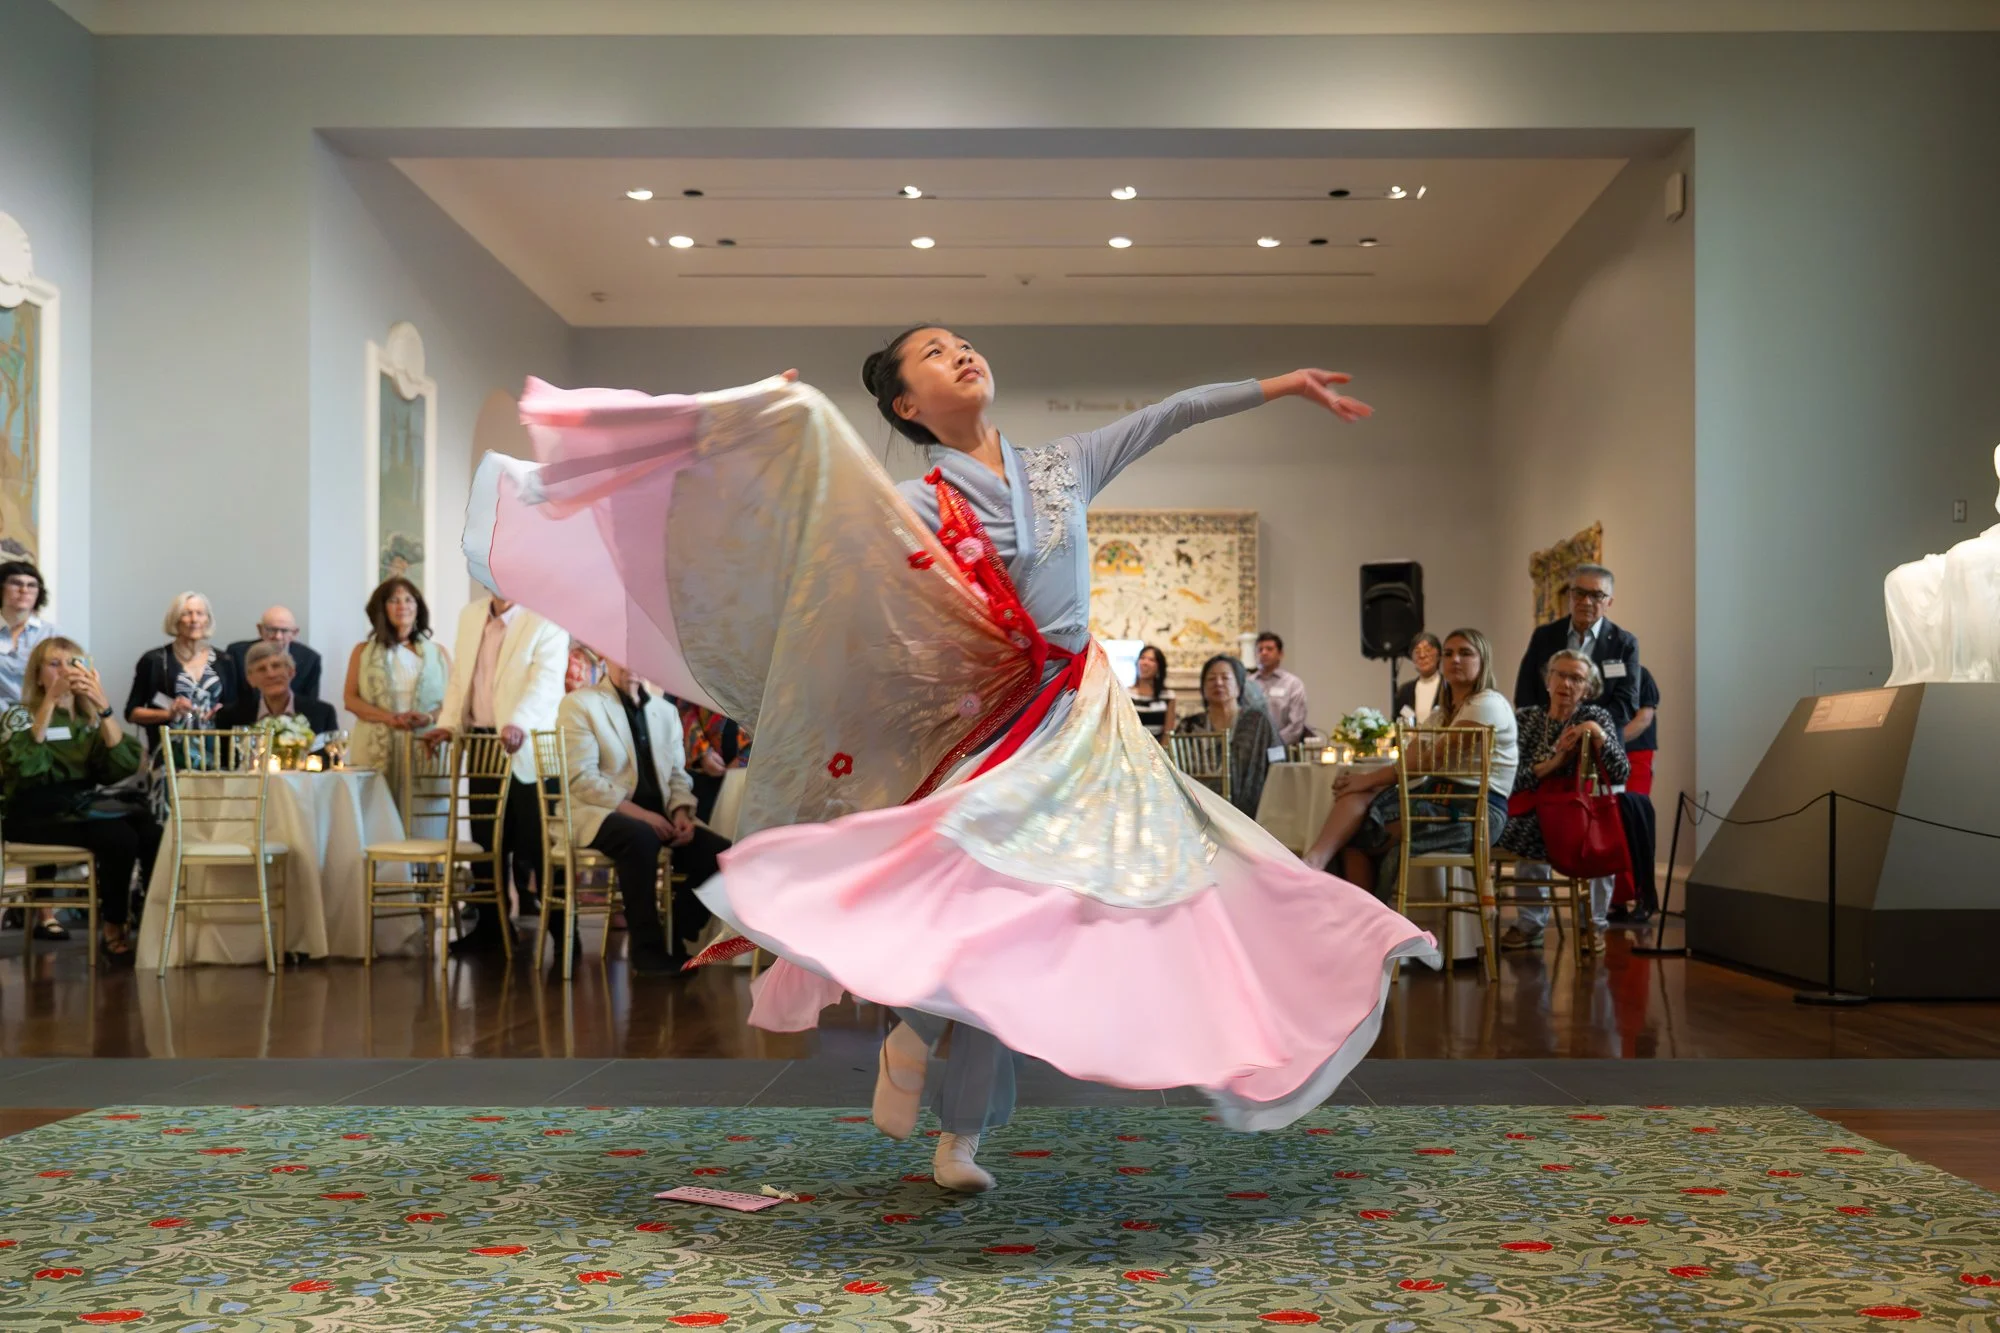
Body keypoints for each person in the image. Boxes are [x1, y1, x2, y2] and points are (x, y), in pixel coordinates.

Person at [469, 324, 1437, 1197]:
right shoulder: (908, 504)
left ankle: (942, 1095)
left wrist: (1278, 384)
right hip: (991, 734)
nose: (961, 352)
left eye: (962, 342)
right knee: (980, 911)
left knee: (1135, 893)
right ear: (904, 405)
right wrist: (758, 433)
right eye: (933, 353)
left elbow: (1172, 412)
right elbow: (805, 553)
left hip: (1084, 729)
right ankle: (929, 1064)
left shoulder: (1063, 465)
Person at [1301, 628, 1516, 896]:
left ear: (1483, 661)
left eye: (1465, 653)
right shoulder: (1441, 714)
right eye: (1448, 654)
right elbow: (1410, 762)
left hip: (1473, 812)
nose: (1455, 660)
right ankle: (1314, 864)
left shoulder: (1487, 704)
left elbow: (1428, 763)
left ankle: (1337, 888)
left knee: (1358, 830)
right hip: (1436, 800)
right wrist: (1366, 784)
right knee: (1358, 808)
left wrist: (1367, 779)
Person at [558, 655, 728, 975]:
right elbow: (582, 780)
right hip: (601, 812)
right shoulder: (581, 704)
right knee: (640, 837)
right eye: (619, 655)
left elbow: (678, 776)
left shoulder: (665, 712)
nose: (630, 663)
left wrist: (681, 813)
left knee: (723, 855)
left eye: (635, 653)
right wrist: (643, 816)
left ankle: (675, 931)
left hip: (659, 817)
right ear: (603, 657)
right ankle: (645, 950)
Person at [0, 637, 160, 963]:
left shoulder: (87, 721)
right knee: (118, 837)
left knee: (150, 828)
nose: (64, 672)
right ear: (38, 673)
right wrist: (50, 702)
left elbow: (123, 766)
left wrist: (102, 706)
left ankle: (152, 919)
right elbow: (23, 765)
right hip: (34, 812)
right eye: (54, 664)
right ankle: (114, 927)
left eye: (72, 664)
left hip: (82, 806)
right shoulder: (19, 714)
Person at [430, 593, 568, 953]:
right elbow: (462, 677)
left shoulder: (546, 616)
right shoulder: (471, 615)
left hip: (530, 746)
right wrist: (447, 724)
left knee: (538, 844)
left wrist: (517, 723)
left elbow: (546, 683)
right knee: (487, 842)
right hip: (482, 742)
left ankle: (563, 930)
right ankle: (492, 927)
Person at [1497, 649, 1631, 955]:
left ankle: (1593, 924)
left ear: (1588, 688)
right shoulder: (1527, 719)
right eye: (1560, 674)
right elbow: (1510, 778)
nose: (1566, 683)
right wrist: (1554, 763)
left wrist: (1597, 735)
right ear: (1548, 679)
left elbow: (1621, 770)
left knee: (1598, 839)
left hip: (1577, 811)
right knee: (1521, 828)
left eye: (1576, 678)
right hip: (1534, 810)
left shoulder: (1596, 716)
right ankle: (1531, 925)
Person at [125, 592, 238, 822]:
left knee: (211, 821)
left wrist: (223, 713)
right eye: (187, 613)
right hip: (170, 756)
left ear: (208, 619)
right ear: (175, 619)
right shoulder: (155, 660)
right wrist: (168, 712)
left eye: (200, 613)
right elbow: (132, 712)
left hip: (216, 755)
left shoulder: (225, 661)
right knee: (169, 822)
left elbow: (237, 707)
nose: (194, 619)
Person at [343, 577, 451, 799]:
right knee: (378, 814)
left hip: (425, 744)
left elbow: (454, 701)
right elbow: (350, 699)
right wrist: (388, 717)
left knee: (424, 819)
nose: (403, 606)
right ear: (381, 608)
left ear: (418, 606)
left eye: (409, 600)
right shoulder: (362, 652)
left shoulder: (438, 653)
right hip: (375, 745)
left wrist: (428, 717)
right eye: (394, 600)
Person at [1513, 564, 1642, 729]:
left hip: (1599, 743)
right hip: (1545, 739)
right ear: (1570, 596)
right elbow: (1525, 691)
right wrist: (1545, 727)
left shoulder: (1624, 644)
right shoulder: (1544, 636)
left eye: (1597, 595)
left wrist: (1585, 729)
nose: (1586, 602)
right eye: (1580, 593)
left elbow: (1627, 703)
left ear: (1609, 602)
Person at [1175, 653, 1278, 817]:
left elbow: (1277, 761)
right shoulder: (1190, 725)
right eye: (1211, 679)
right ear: (1203, 687)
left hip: (1254, 815)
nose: (1218, 683)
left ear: (1239, 685)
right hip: (1201, 814)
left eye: (1225, 677)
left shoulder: (1257, 722)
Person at [1609, 665, 1661, 925]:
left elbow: (1644, 719)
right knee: (1609, 826)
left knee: (1635, 822)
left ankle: (1645, 896)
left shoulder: (1640, 674)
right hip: (1604, 755)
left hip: (1635, 753)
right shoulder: (1591, 674)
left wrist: (1610, 740)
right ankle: (1616, 898)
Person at [213, 640, 340, 736]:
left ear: (291, 672)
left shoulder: (322, 714)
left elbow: (331, 763)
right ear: (251, 680)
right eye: (261, 669)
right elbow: (226, 766)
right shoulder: (229, 717)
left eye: (276, 666)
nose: (271, 674)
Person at [674, 698, 751, 825]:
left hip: (754, 772)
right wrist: (701, 751)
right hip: (704, 770)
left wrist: (746, 757)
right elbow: (684, 705)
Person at [224, 606, 324, 702]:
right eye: (272, 630)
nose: (278, 636)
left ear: (294, 633)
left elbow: (310, 704)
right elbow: (230, 699)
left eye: (284, 631)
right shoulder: (237, 653)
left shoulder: (310, 659)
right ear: (260, 630)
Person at [0, 560, 58, 708]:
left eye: (31, 585)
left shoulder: (52, 634)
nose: (24, 590)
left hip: (40, 714)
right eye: (16, 583)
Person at [1251, 631, 1309, 747]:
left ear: (1280, 654)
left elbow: (1296, 724)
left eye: (1269, 649)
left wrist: (1272, 743)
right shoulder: (1248, 684)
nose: (1264, 653)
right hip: (1252, 748)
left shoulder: (1292, 684)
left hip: (1282, 748)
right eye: (1260, 650)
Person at [1128, 644, 1176, 739]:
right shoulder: (1127, 694)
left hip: (1159, 748)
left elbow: (1168, 732)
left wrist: (1160, 752)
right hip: (1133, 749)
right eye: (1142, 658)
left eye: (1151, 660)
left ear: (1159, 667)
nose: (1145, 662)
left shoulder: (1168, 696)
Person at [1393, 631, 1444, 722]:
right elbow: (1396, 721)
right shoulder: (1405, 691)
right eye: (1417, 651)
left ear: (1439, 655)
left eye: (1427, 650)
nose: (1422, 655)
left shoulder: (1449, 687)